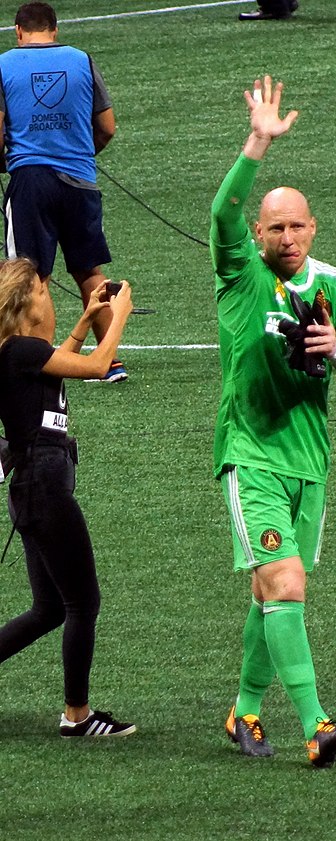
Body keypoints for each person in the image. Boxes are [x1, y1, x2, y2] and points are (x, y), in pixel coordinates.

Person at [211, 75, 336, 768]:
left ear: (313, 227)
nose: (285, 235)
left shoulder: (335, 285)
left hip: (310, 462)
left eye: (296, 224)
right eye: (273, 225)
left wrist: (335, 349)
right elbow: (221, 211)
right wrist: (258, 141)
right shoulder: (241, 274)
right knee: (285, 583)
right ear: (259, 233)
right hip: (251, 452)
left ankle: (243, 710)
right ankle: (316, 725)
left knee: (270, 592)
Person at [0, 256, 136, 737]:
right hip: (44, 487)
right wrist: (115, 317)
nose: (50, 294)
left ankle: (76, 713)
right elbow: (99, 367)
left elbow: (57, 370)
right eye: (45, 289)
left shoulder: (22, 352)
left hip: (35, 488)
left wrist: (83, 320)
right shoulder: (19, 351)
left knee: (50, 609)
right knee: (83, 604)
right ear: (28, 302)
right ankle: (76, 715)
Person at [0, 2, 127, 383]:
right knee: (88, 268)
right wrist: (80, 156)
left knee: (32, 275)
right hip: (80, 180)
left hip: (31, 181)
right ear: (55, 30)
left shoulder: (4, 64)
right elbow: (107, 126)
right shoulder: (81, 60)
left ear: (18, 31)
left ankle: (44, 358)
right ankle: (111, 361)